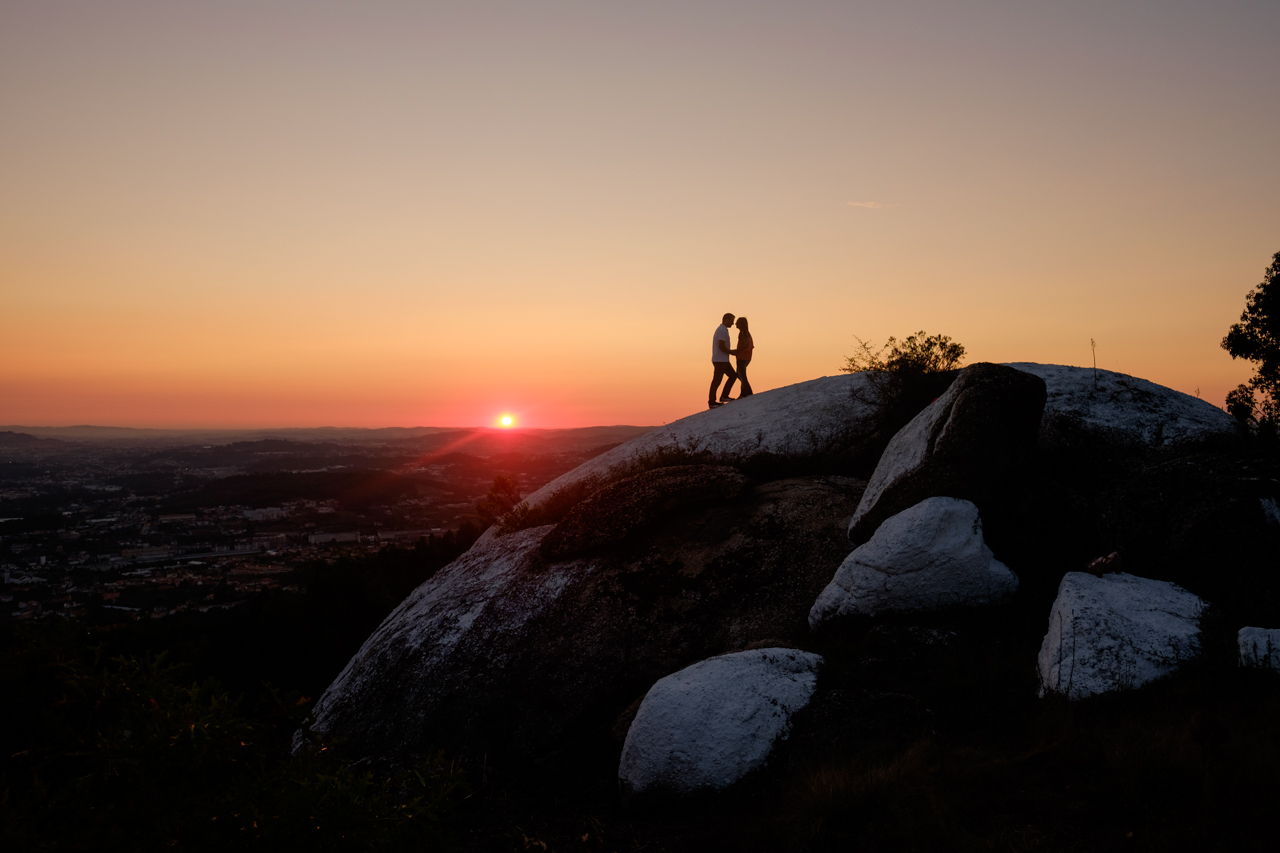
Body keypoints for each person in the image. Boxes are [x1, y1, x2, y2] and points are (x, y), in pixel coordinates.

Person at [709, 312, 738, 408]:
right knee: (717, 381)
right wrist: (731, 352)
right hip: (720, 360)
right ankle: (712, 402)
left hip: (722, 360)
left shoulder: (722, 329)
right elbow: (721, 345)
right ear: (727, 319)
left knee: (733, 376)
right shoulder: (722, 330)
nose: (732, 323)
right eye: (731, 321)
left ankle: (724, 396)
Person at [731, 316, 754, 397]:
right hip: (745, 357)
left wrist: (736, 351)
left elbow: (745, 344)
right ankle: (746, 392)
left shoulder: (743, 333)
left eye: (738, 322)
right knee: (740, 375)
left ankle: (745, 394)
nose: (736, 324)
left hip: (742, 357)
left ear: (741, 324)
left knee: (742, 376)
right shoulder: (745, 332)